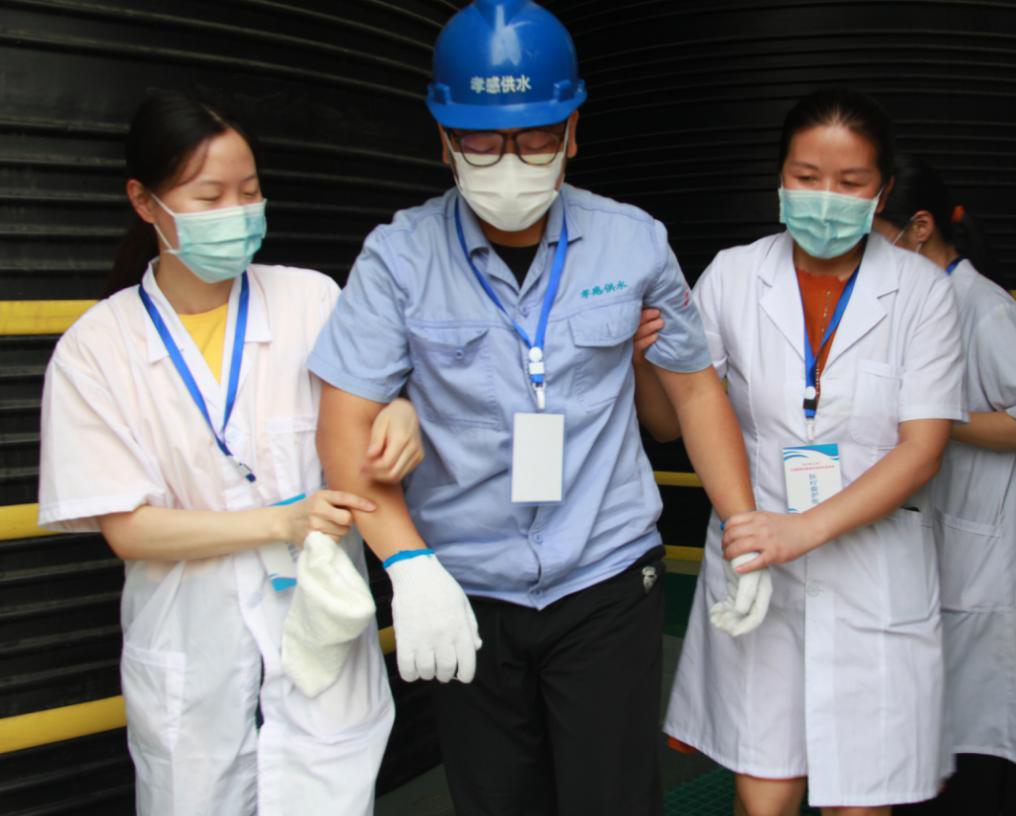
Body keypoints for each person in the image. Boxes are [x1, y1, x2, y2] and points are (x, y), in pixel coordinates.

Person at [305, 1, 758, 813]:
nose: (509, 162)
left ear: (573, 132)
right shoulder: (398, 258)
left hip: (606, 573)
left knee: (613, 801)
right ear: (443, 140)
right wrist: (409, 565)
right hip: (465, 586)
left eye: (537, 137)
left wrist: (744, 525)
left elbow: (694, 391)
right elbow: (343, 429)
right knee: (497, 801)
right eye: (481, 140)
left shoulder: (634, 242)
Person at [36, 91, 422, 815]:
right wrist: (281, 522)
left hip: (320, 634)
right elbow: (129, 529)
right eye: (210, 196)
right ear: (145, 202)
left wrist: (401, 414)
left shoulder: (310, 300)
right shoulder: (97, 349)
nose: (237, 212)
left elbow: (370, 409)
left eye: (249, 192)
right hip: (191, 651)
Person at [636, 88, 966, 816]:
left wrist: (801, 532)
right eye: (807, 177)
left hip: (871, 566)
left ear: (881, 190)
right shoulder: (733, 275)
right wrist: (641, 359)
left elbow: (922, 451)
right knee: (765, 786)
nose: (825, 198)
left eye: (850, 183)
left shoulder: (921, 292)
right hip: (760, 564)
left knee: (863, 797)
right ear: (780, 178)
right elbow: (668, 423)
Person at [876, 155, 1016, 816]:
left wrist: (937, 421)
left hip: (987, 557)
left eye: (875, 234)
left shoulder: (982, 307)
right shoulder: (914, 304)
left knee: (994, 734)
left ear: (920, 228)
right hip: (939, 544)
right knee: (947, 729)